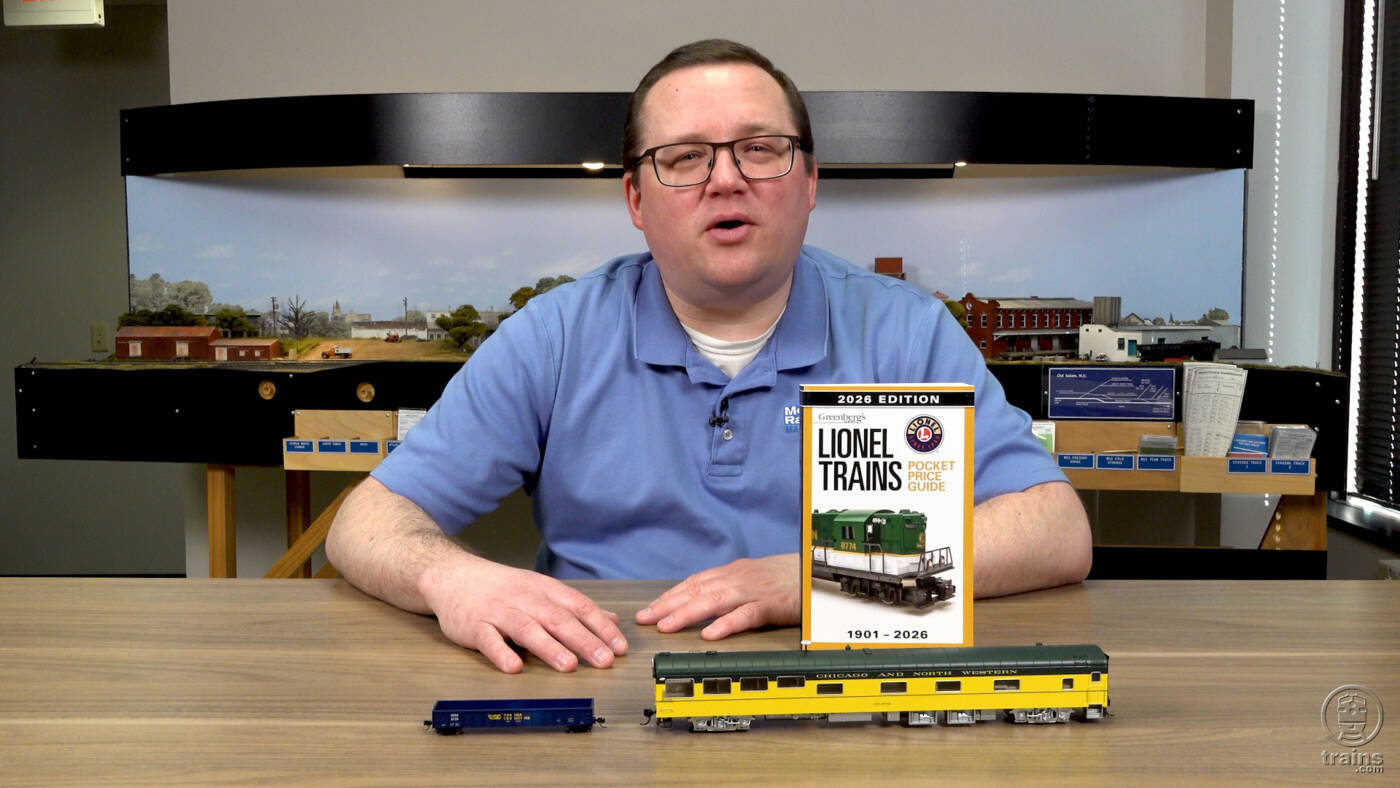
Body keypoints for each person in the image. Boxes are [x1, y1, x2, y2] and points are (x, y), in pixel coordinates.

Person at [326, 39, 1092, 674]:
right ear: (635, 199)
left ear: (810, 182)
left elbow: (1055, 532)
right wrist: (455, 580)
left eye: (761, 150)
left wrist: (818, 579)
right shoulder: (553, 336)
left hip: (844, 688)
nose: (726, 179)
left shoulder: (906, 331)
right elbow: (366, 522)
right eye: (685, 157)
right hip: (603, 687)